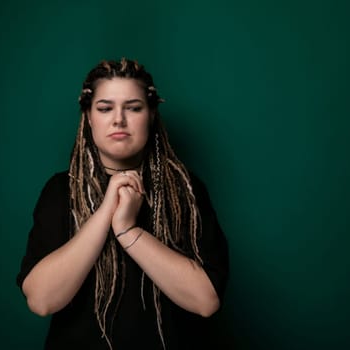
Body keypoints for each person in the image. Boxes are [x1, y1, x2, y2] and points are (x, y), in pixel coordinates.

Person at [16, 57, 229, 349]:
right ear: (89, 117)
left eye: (133, 107)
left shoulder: (186, 190)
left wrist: (129, 230)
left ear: (151, 114)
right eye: (105, 108)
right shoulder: (60, 191)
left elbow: (205, 301)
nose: (119, 119)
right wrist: (106, 212)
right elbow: (41, 301)